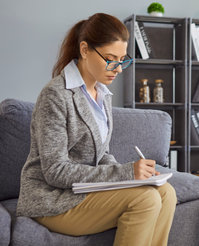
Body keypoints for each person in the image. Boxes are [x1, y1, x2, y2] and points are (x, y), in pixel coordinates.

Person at [16, 13, 177, 246]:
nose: (119, 69)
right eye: (111, 59)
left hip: (85, 191)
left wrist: (131, 177)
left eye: (123, 59)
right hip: (53, 199)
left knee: (166, 193)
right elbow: (55, 171)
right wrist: (125, 173)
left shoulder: (102, 93)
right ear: (84, 50)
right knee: (146, 199)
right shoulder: (56, 95)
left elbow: (101, 154)